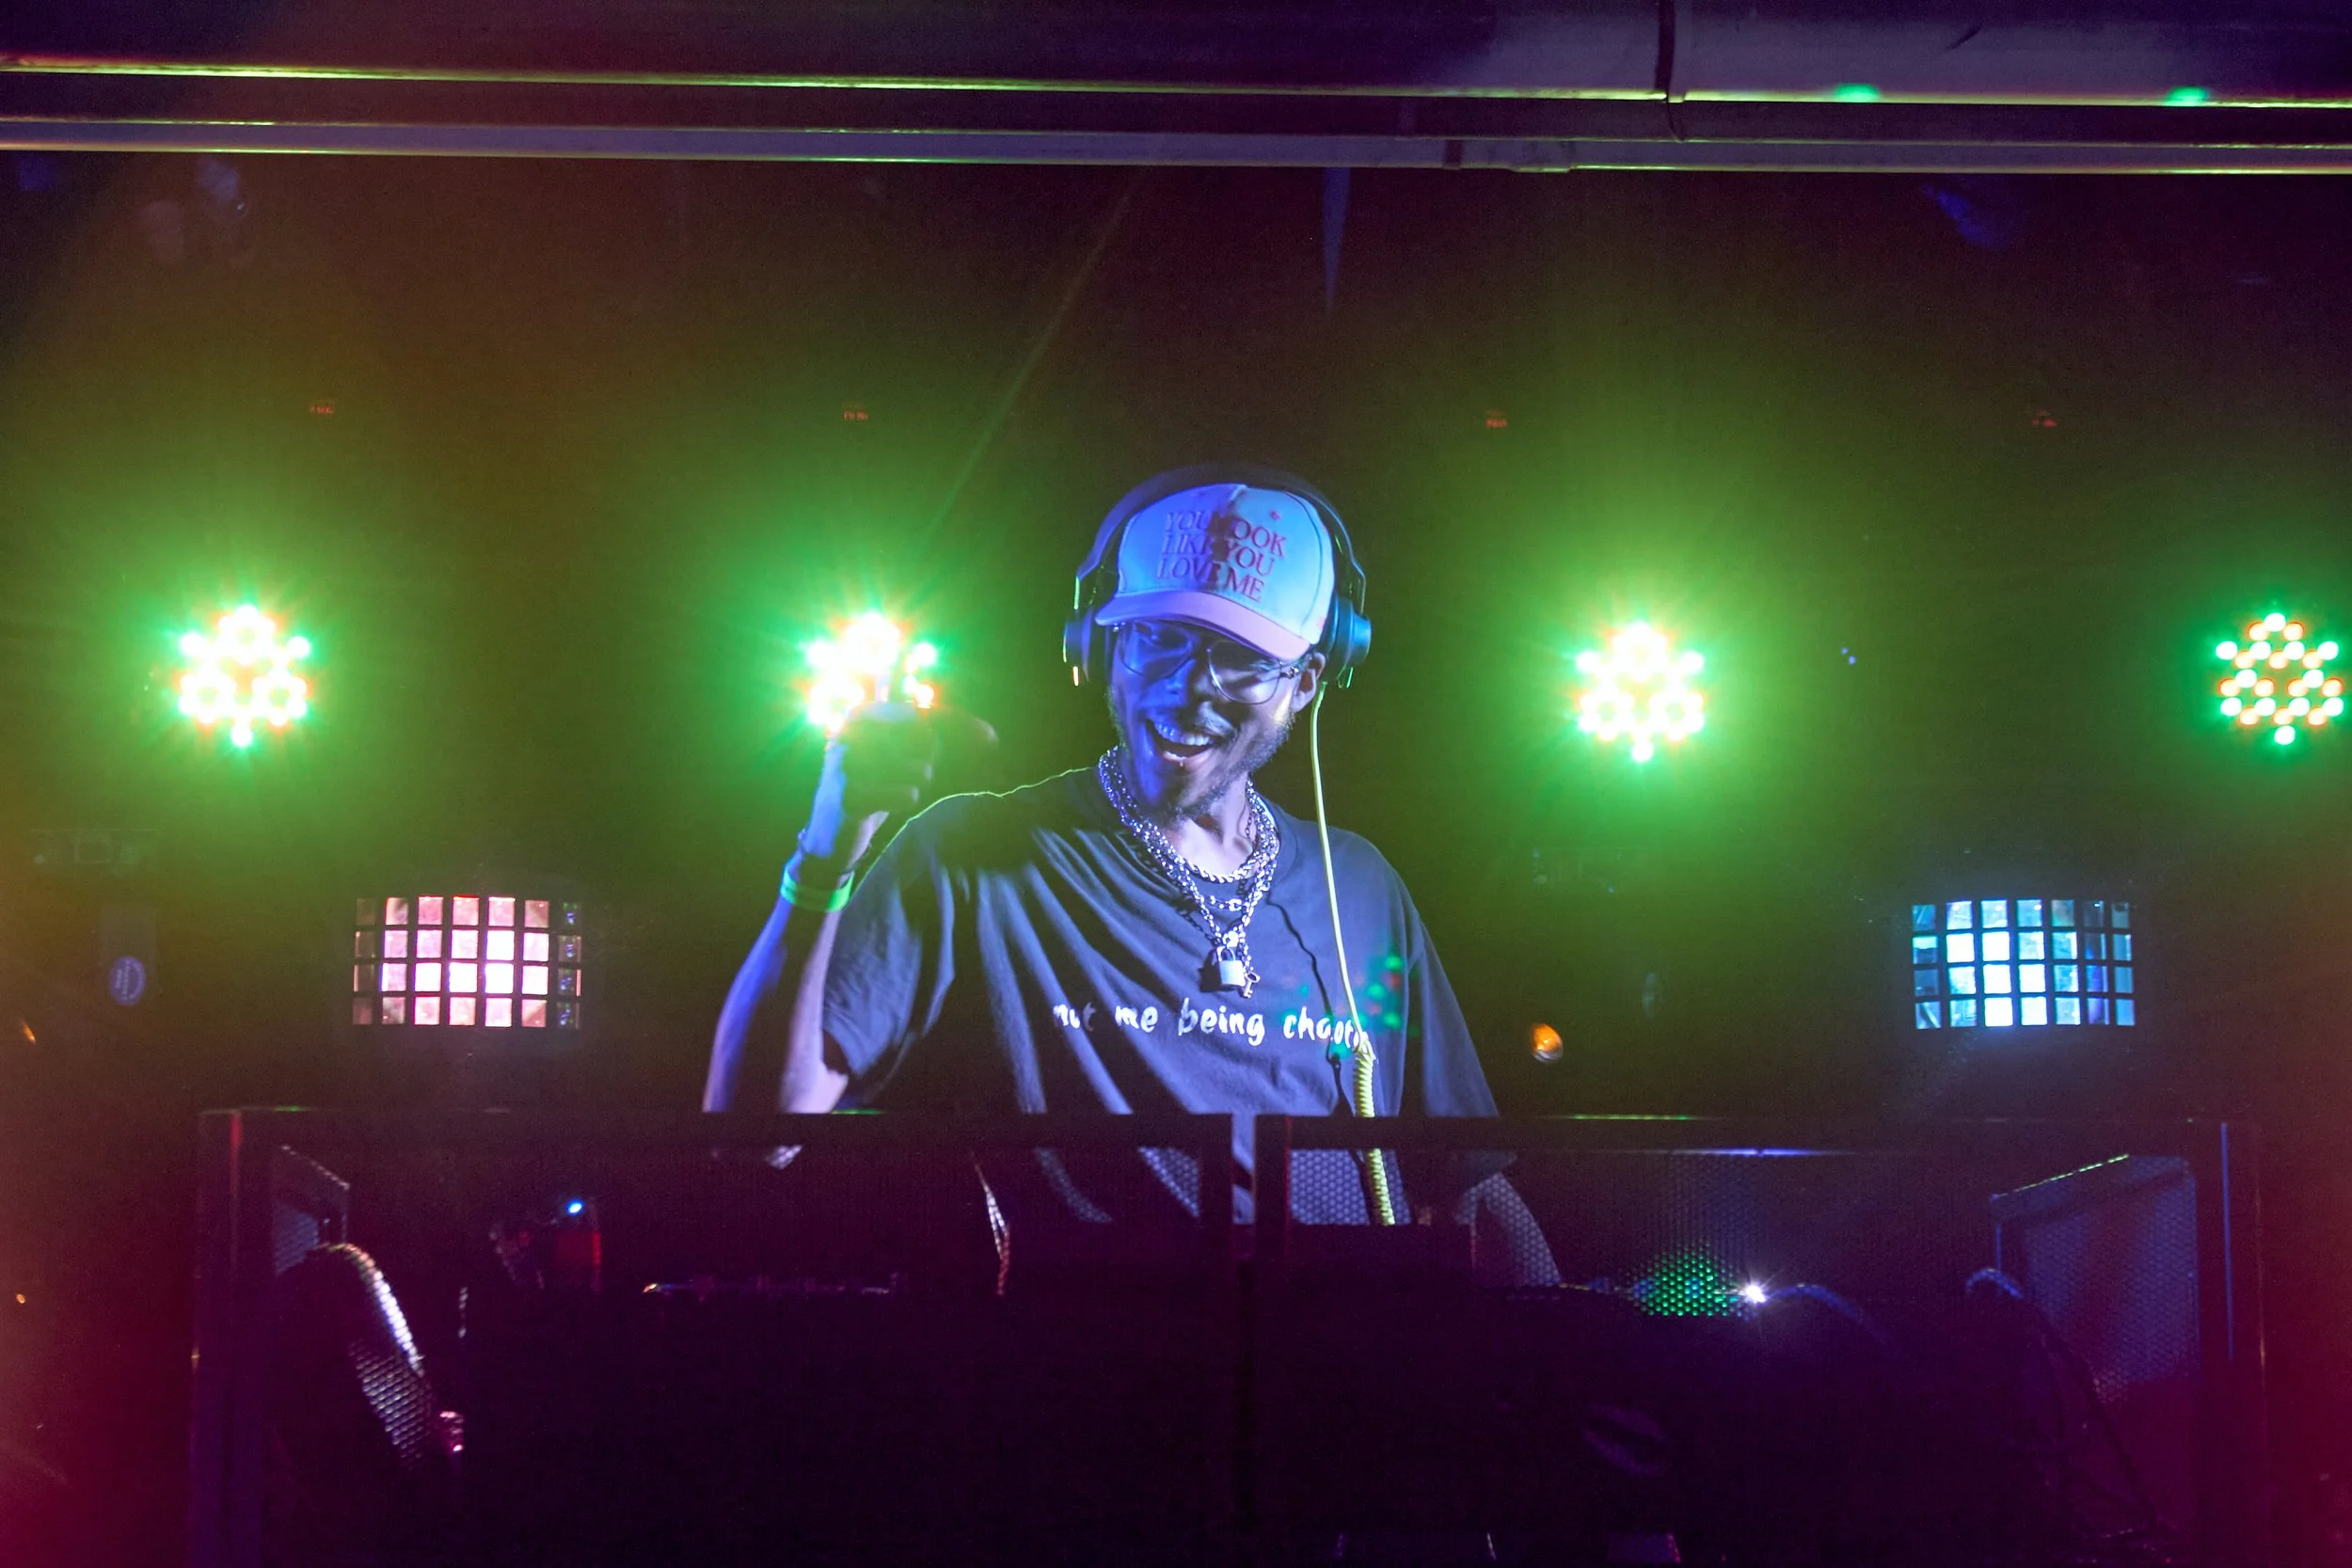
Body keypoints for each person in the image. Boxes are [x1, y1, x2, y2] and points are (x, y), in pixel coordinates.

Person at [705, 464, 1549, 1254]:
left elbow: (1464, 1187)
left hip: (1333, 1384)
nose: (1190, 687)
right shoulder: (973, 856)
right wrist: (831, 840)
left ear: (1308, 682)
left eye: (1243, 661)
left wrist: (1569, 1371)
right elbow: (759, 1134)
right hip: (1111, 1383)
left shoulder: (1359, 886)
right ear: (1100, 646)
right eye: (1161, 640)